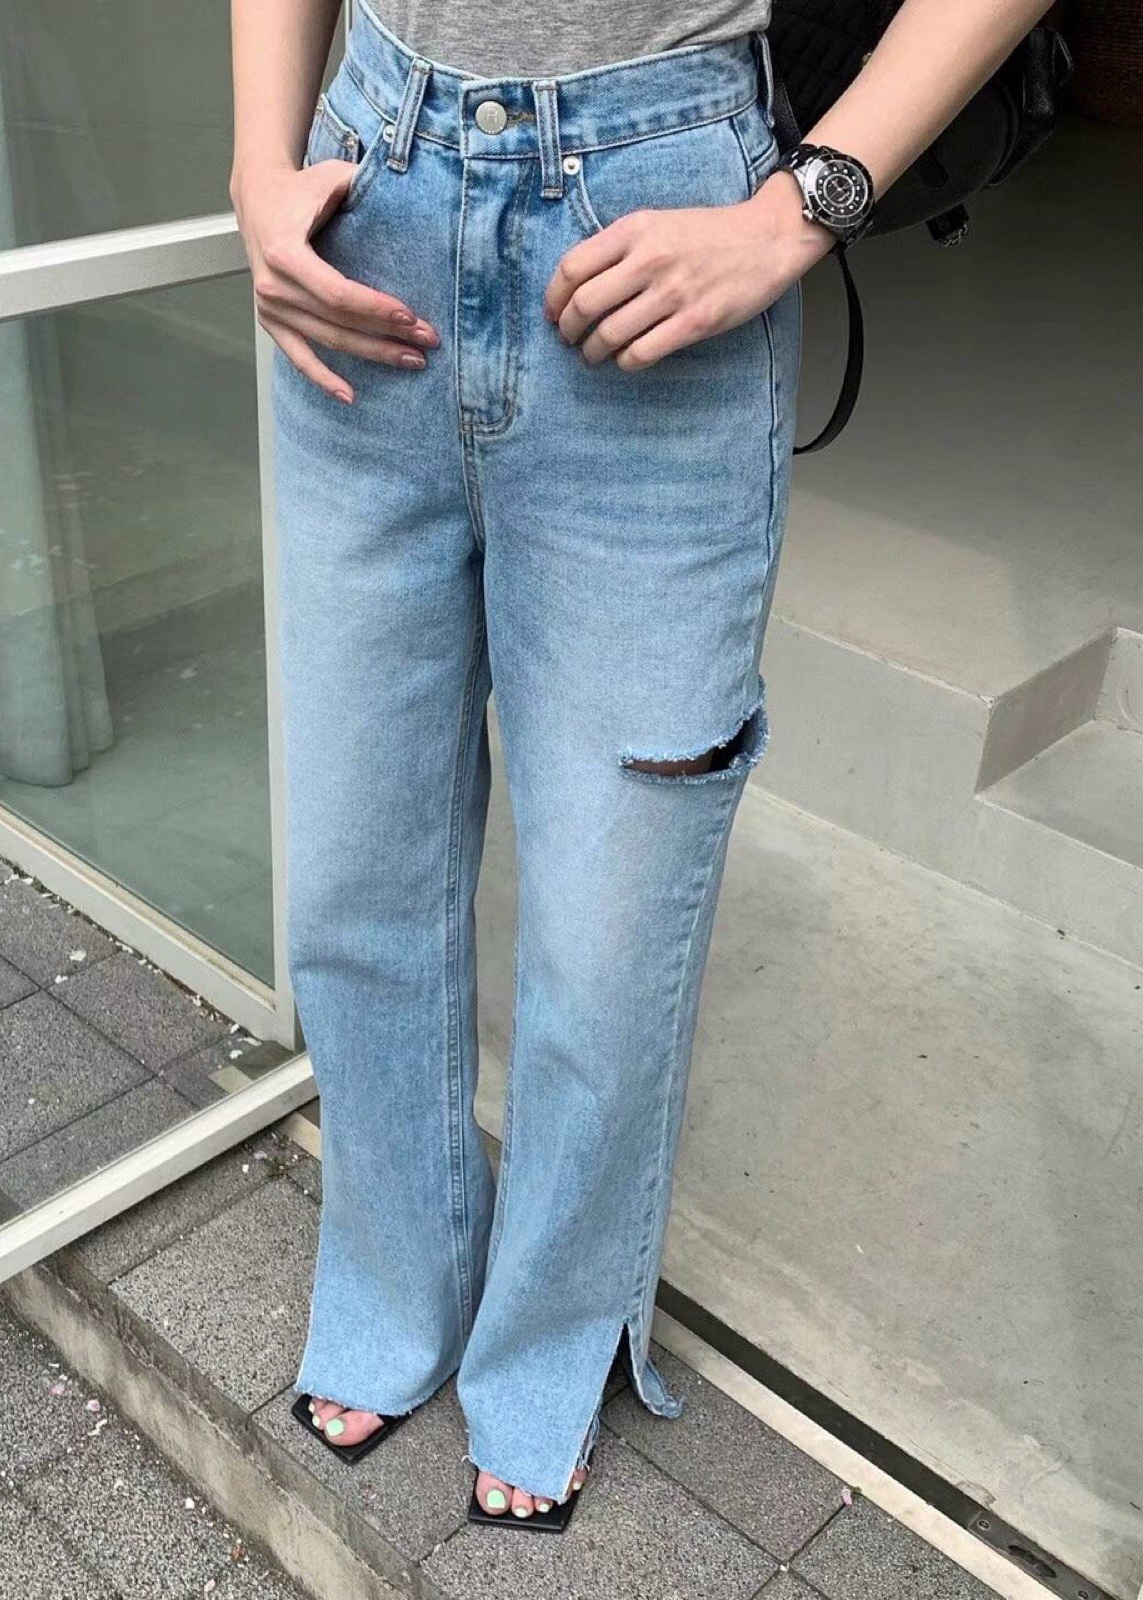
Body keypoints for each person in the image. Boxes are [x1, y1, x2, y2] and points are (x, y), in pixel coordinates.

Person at [229, 0, 1054, 1527]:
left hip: (654, 220)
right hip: (366, 207)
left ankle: (549, 1344)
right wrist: (254, 160)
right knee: (353, 876)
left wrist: (803, 207)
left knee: (609, 934)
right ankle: (394, 1281)